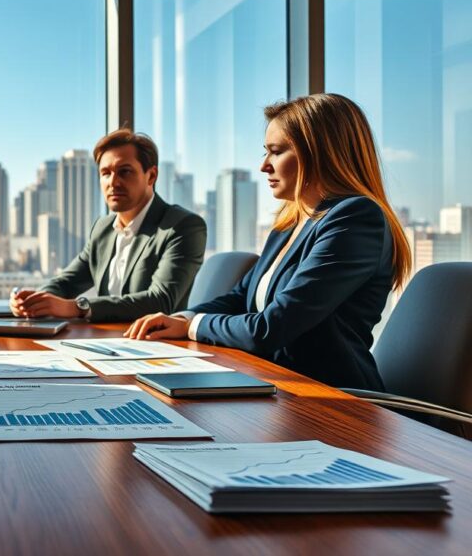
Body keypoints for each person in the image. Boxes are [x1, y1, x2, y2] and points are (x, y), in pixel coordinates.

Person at [126, 93, 411, 391]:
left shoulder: (355, 218)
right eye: (266, 152)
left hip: (330, 397)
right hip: (274, 383)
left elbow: (270, 328)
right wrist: (183, 318)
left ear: (321, 153)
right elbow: (240, 298)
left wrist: (192, 327)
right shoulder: (289, 224)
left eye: (276, 152)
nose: (264, 166)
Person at [9, 130, 206, 323]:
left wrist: (77, 307)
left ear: (151, 176)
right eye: (105, 173)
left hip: (154, 341)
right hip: (103, 339)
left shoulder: (182, 227)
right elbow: (66, 282)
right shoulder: (102, 228)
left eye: (125, 172)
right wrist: (34, 301)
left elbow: (160, 301)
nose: (113, 182)